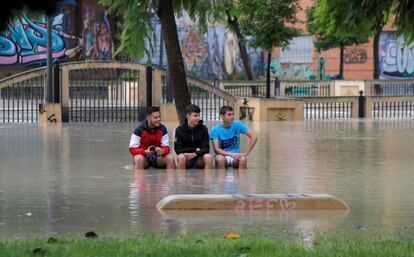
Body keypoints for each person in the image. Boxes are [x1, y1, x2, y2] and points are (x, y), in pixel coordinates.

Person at [174, 104, 213, 170]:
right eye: (195, 116)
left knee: (208, 157)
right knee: (181, 157)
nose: (198, 118)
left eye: (199, 115)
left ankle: (207, 179)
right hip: (186, 158)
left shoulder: (203, 129)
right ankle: (181, 180)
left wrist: (195, 154)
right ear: (188, 116)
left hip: (199, 158)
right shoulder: (179, 129)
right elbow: (178, 149)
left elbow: (206, 148)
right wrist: (194, 150)